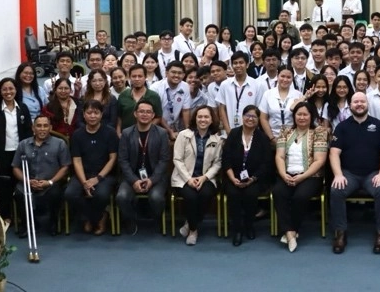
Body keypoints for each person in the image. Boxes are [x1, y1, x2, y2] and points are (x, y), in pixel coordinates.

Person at [329, 90, 380, 254]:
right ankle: (340, 233)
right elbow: (334, 153)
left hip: (373, 174)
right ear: (350, 105)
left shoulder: (379, 126)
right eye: (355, 102)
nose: (359, 104)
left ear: (367, 104)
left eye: (362, 101)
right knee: (336, 190)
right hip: (348, 174)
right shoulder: (342, 127)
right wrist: (338, 174)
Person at [272, 101, 329, 252]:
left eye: (305, 114)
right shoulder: (285, 131)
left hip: (311, 176)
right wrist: (284, 174)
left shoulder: (319, 132)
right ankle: (291, 234)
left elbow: (319, 160)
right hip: (287, 174)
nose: (302, 117)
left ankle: (291, 230)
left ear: (311, 116)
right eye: (299, 114)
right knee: (278, 192)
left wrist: (302, 177)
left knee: (300, 196)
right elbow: (279, 156)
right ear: (294, 116)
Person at [116, 100, 171, 233]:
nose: (144, 114)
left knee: (156, 197)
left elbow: (164, 160)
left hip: (155, 177)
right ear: (135, 114)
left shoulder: (162, 133)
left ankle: (156, 218)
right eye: (141, 111)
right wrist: (134, 180)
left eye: (148, 112)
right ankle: (130, 219)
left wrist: (152, 180)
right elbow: (123, 160)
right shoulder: (127, 133)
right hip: (131, 177)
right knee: (121, 196)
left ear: (153, 115)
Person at [65, 99, 118, 235]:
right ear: (83, 114)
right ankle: (90, 218)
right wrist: (84, 182)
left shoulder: (110, 132)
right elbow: (76, 160)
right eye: (89, 113)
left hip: (104, 175)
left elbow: (112, 159)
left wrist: (98, 178)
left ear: (101, 114)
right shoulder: (77, 134)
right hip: (83, 174)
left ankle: (99, 217)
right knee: (70, 194)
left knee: (101, 194)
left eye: (96, 113)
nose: (92, 116)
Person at [171, 105, 223, 245]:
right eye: (200, 116)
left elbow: (217, 163)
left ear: (212, 120)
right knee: (191, 196)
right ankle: (194, 230)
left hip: (205, 178)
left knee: (205, 194)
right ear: (195, 118)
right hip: (184, 178)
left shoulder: (216, 139)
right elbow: (177, 159)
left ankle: (189, 223)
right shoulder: (183, 135)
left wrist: (204, 177)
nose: (203, 119)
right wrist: (189, 179)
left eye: (206, 117)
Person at [13, 115, 71, 238]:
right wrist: (27, 181)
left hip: (50, 183)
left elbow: (65, 167)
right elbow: (15, 167)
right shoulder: (23, 144)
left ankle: (53, 223)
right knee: (19, 193)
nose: (42, 129)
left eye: (45, 126)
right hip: (29, 182)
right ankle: (27, 224)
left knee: (55, 193)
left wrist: (49, 182)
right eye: (39, 126)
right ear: (33, 128)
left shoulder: (60, 144)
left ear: (50, 127)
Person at [222, 105, 273, 246]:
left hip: (255, 179)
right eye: (248, 116)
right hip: (233, 177)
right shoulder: (233, 134)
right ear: (242, 117)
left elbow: (266, 164)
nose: (250, 119)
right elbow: (225, 159)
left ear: (258, 120)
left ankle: (249, 225)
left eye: (254, 117)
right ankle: (237, 230)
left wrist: (252, 179)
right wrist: (232, 178)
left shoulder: (262, 138)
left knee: (250, 194)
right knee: (234, 194)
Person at [0, 77, 32, 229]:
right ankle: (5, 216)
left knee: (20, 186)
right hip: (2, 154)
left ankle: (22, 217)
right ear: (0, 91)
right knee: (3, 187)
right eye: (4, 89)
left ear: (16, 90)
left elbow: (27, 132)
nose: (8, 92)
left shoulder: (23, 108)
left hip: (20, 153)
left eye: (11, 89)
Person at [218, 52, 262, 135]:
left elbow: (258, 110)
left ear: (247, 65)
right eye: (235, 63)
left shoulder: (256, 84)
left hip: (251, 131)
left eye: (241, 63)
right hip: (229, 130)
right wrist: (228, 131)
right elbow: (222, 109)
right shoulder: (225, 84)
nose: (238, 65)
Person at [117, 64, 161, 135]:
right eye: (134, 76)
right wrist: (118, 132)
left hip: (148, 135)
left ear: (145, 77)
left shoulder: (154, 96)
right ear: (129, 78)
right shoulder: (123, 95)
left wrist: (145, 129)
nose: (137, 79)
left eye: (140, 76)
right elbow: (119, 117)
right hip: (126, 135)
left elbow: (158, 117)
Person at [259, 66, 300, 140]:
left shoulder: (298, 95)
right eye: (282, 76)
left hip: (293, 137)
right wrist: (271, 138)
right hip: (272, 137)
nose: (285, 79)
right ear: (277, 76)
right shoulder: (268, 94)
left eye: (288, 77)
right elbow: (263, 118)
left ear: (292, 78)